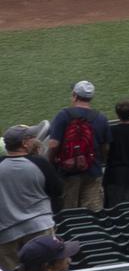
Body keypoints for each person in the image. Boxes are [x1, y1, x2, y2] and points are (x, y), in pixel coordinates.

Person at [45, 81, 108, 212]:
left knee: (70, 212)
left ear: (74, 95)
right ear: (91, 97)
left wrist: (49, 163)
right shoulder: (101, 118)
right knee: (93, 212)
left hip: (68, 172)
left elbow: (53, 144)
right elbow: (106, 147)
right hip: (93, 170)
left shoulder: (63, 115)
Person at [0, 127, 54, 271]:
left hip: (5, 233)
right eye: (31, 138)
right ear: (25, 143)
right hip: (38, 227)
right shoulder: (39, 163)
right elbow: (56, 191)